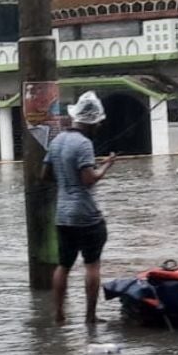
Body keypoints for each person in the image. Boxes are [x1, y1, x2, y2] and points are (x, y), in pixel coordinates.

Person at [41, 91, 117, 325]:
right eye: (98, 123)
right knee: (92, 264)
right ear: (91, 122)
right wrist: (106, 166)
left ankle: (59, 315)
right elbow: (88, 179)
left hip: (63, 215)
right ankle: (90, 317)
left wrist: (65, 181)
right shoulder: (84, 144)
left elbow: (44, 175)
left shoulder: (57, 141)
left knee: (63, 265)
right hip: (86, 215)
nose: (99, 127)